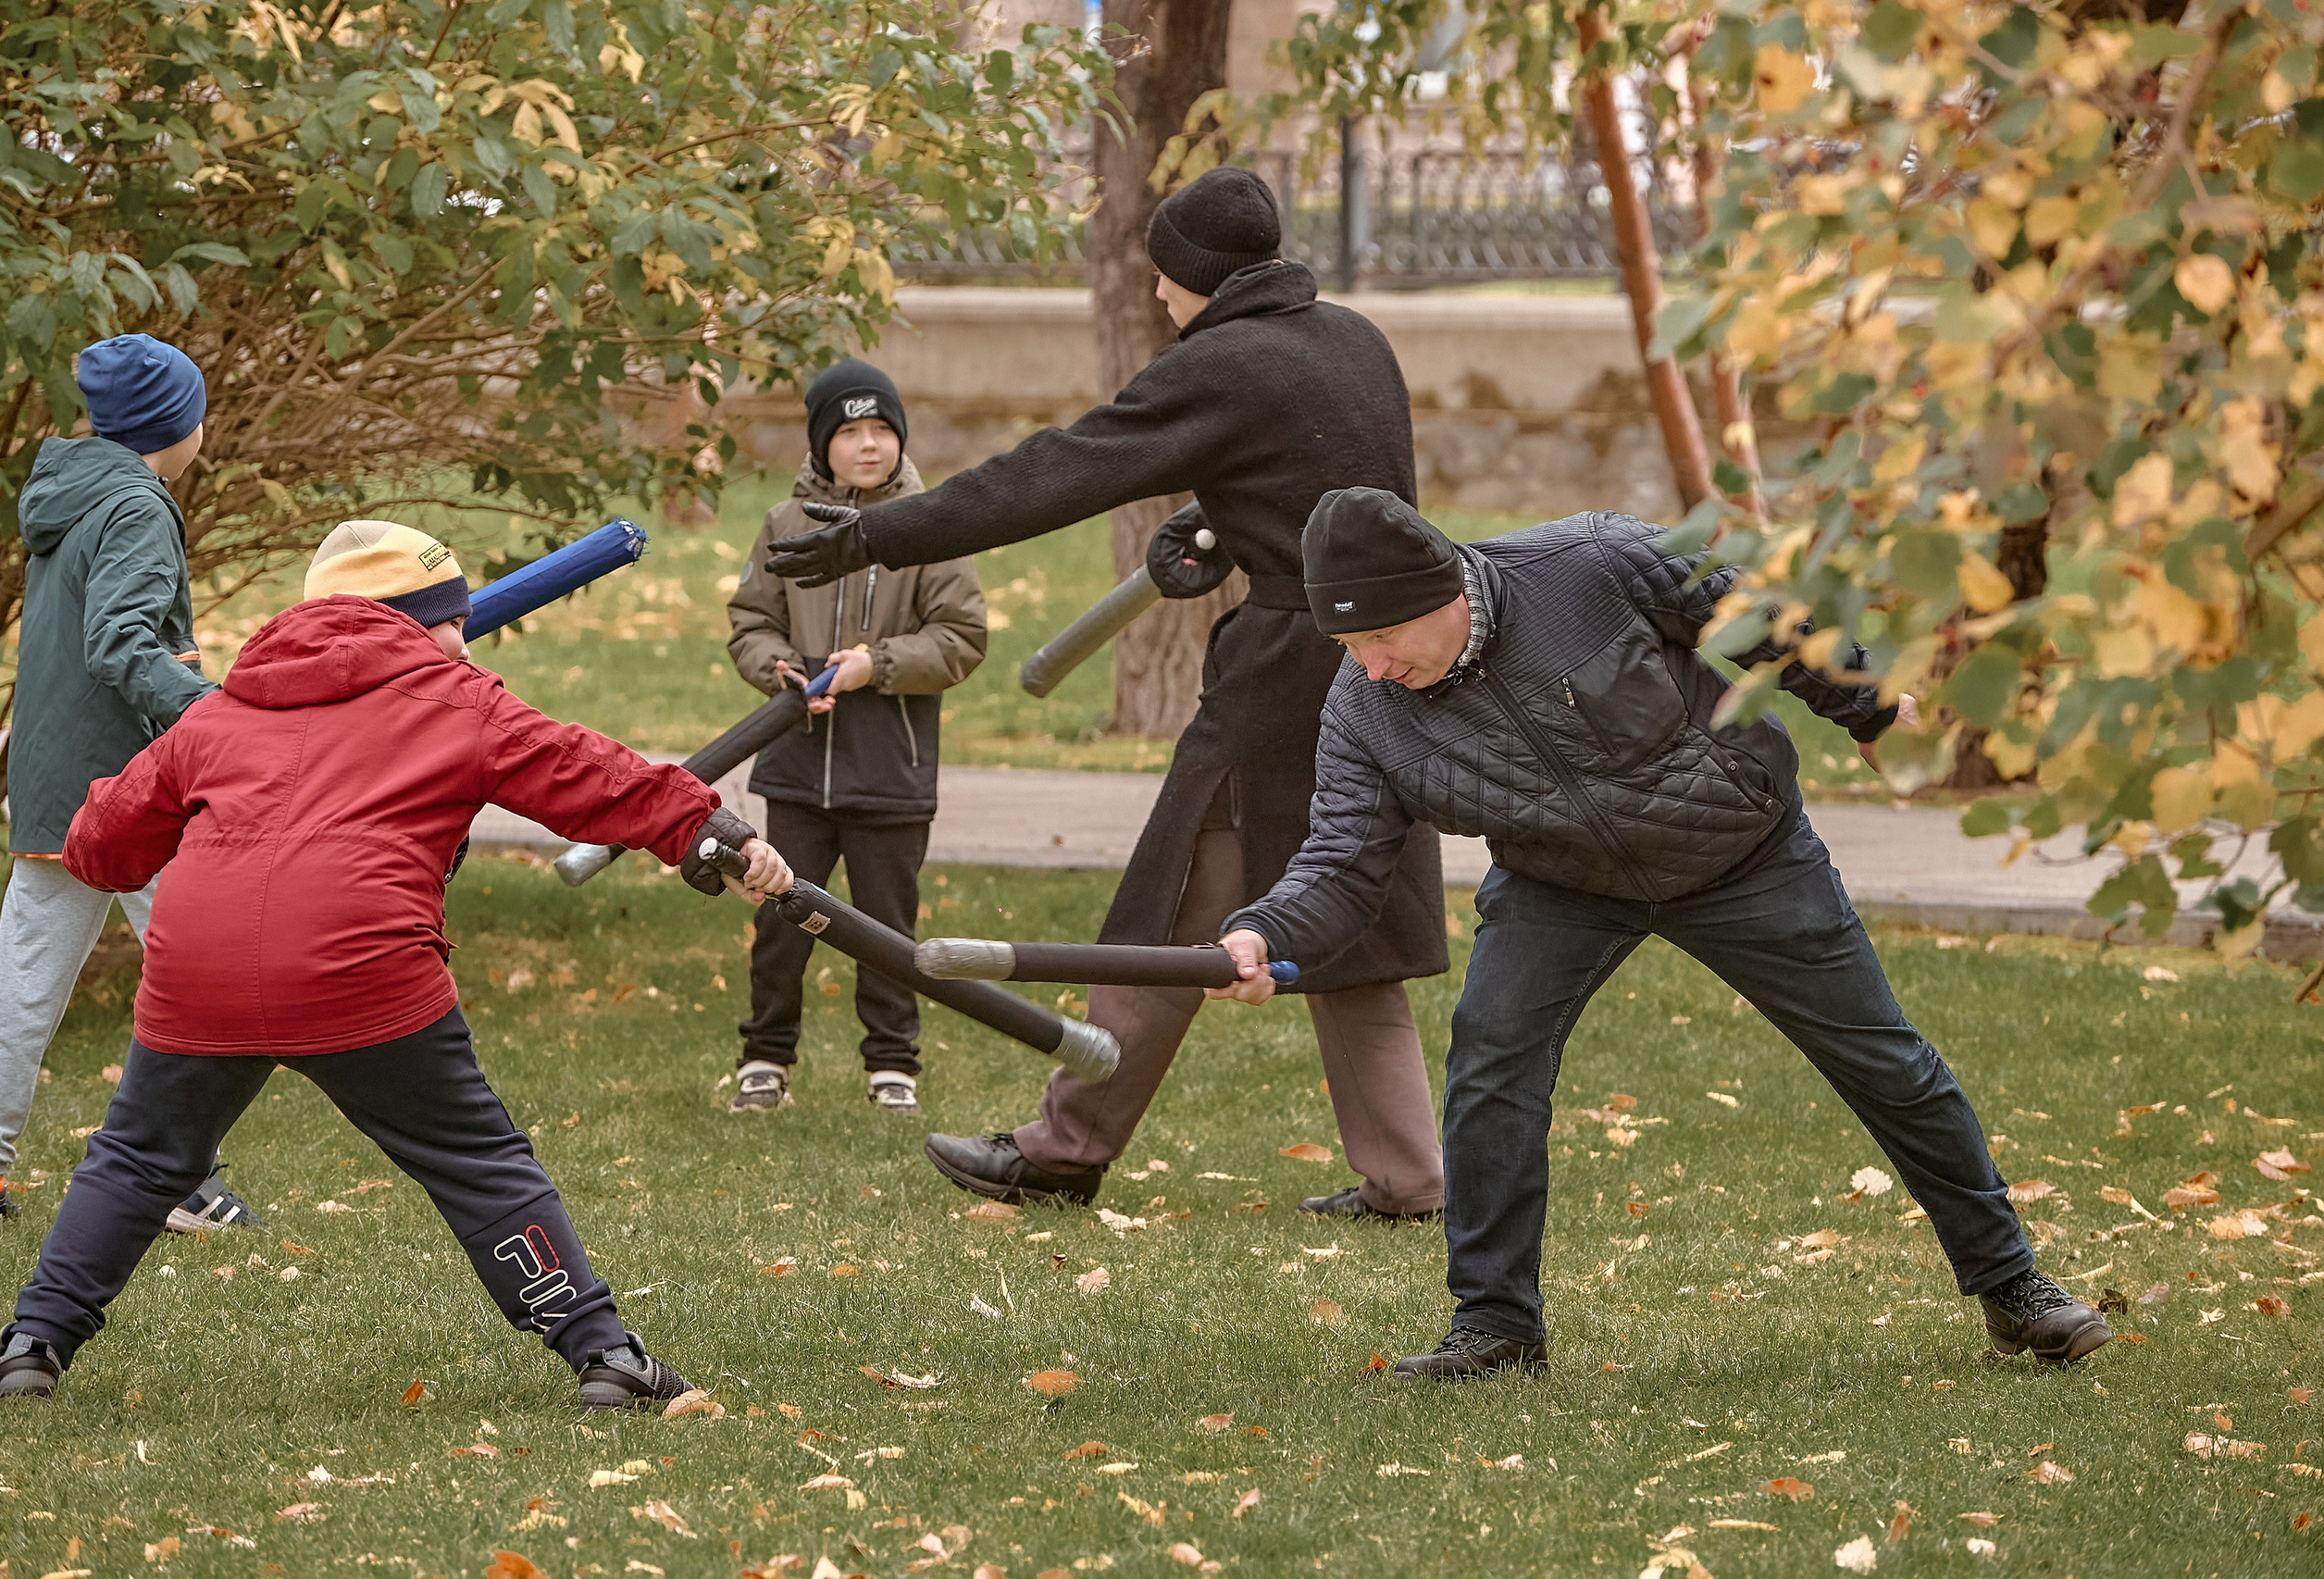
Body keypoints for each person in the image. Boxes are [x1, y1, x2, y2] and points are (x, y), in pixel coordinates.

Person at [1210, 489, 2112, 1377]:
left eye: (1380, 638)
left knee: (1881, 1056)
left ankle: (2010, 1283)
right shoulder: (1365, 708)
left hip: (1743, 854)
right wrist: (1260, 931)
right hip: (1559, 879)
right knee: (1491, 1055)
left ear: (1440, 591)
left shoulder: (1592, 561)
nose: (1367, 665)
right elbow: (1338, 862)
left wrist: (1867, 706)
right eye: (1348, 645)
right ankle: (1494, 1322)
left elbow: (1759, 613)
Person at [0, 521, 792, 1405]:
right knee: (476, 1161)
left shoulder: (218, 713)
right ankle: (605, 1357)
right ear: (415, 622)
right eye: (452, 621)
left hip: (199, 968)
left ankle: (30, 1349)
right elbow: (590, 774)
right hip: (357, 966)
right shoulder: (457, 701)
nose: (462, 641)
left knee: (135, 1158)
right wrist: (717, 836)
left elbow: (100, 848)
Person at [766, 168, 1450, 1220]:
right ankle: (1410, 1178)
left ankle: (1063, 1146)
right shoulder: (1352, 336)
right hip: (1388, 656)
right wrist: (1225, 530)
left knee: (1174, 900)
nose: (1159, 298)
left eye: (1162, 278)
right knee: (1350, 905)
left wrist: (875, 534)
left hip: (1280, 680)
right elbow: (1328, 492)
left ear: (1192, 276)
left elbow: (1060, 469)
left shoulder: (1224, 361)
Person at [0, 334, 257, 1233]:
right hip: (135, 792)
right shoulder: (135, 502)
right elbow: (122, 641)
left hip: (57, 788)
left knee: (24, 987)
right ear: (174, 424)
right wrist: (214, 712)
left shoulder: (72, 491)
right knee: (204, 984)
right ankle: (176, 1177)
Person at [726, 360, 987, 1116]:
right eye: (849, 432)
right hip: (798, 767)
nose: (868, 446)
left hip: (892, 770)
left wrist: (880, 663)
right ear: (821, 444)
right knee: (783, 920)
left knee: (886, 928)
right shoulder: (784, 524)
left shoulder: (931, 524)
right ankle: (765, 1056)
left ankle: (891, 1064)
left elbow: (962, 635)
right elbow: (751, 620)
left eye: (881, 431)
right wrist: (771, 665)